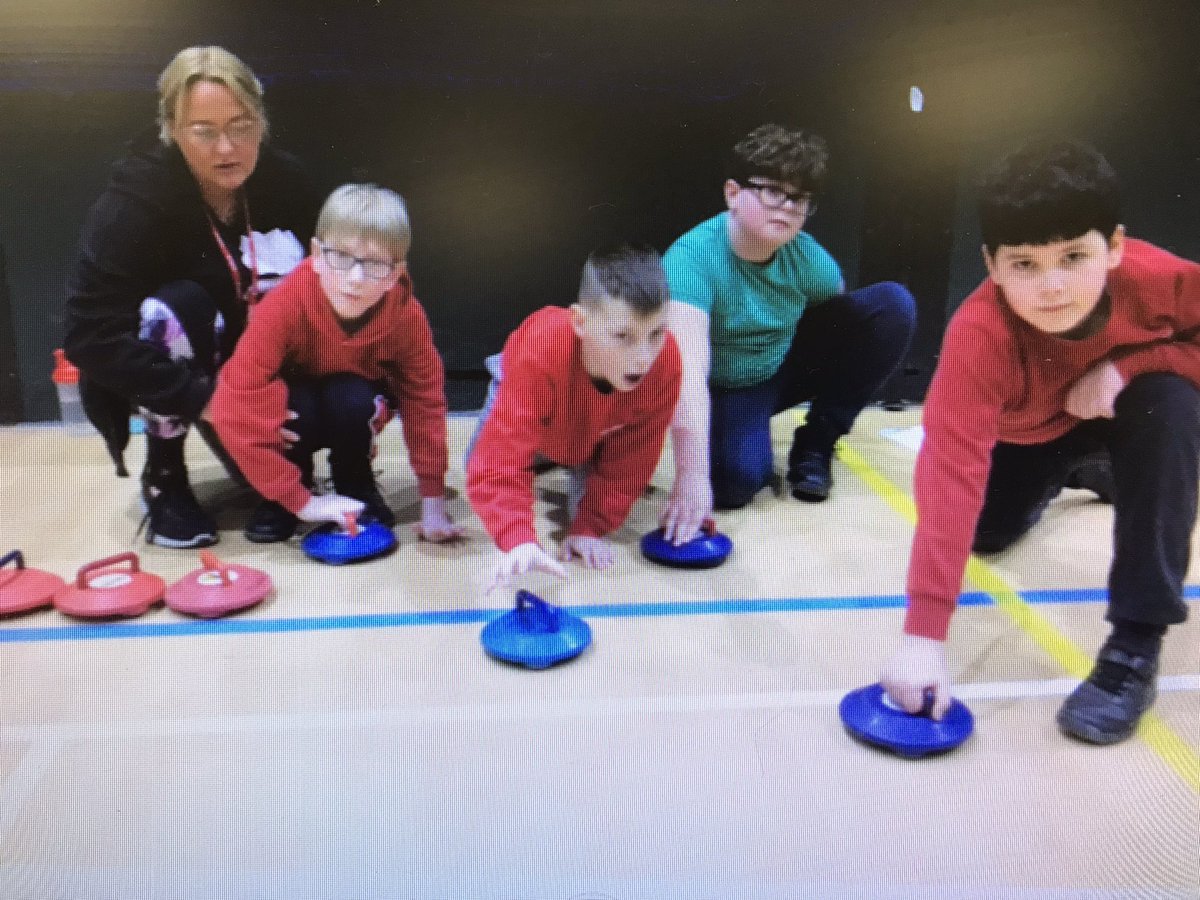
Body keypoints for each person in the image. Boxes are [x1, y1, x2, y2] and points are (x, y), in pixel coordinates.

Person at [882, 139, 1200, 745]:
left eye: (1073, 256)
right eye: (1024, 264)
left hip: (1123, 408)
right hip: (1033, 436)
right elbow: (950, 477)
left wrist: (1130, 369)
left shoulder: (1161, 278)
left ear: (1116, 247)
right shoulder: (977, 336)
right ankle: (1082, 468)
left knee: (1171, 406)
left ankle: (1134, 645)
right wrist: (922, 639)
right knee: (987, 533)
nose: (1051, 287)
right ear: (991, 264)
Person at [63, 46, 320, 548]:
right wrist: (207, 399)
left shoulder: (289, 182)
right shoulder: (132, 203)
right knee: (178, 306)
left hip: (262, 368)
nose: (227, 148)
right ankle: (165, 477)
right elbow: (87, 334)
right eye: (204, 131)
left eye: (241, 125)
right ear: (172, 130)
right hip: (180, 371)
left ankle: (279, 457)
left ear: (261, 122)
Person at [659, 124, 917, 544]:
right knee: (733, 486)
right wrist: (691, 477)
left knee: (892, 306)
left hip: (781, 364)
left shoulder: (806, 257)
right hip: (726, 386)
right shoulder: (691, 259)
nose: (786, 206)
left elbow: (841, 314)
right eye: (771, 190)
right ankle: (743, 438)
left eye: (798, 197)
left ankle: (816, 445)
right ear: (732, 193)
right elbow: (687, 376)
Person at [208, 184, 462, 544]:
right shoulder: (282, 307)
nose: (354, 279)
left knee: (352, 397)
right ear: (314, 254)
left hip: (354, 399)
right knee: (291, 405)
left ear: (394, 274)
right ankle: (287, 490)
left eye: (374, 264)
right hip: (295, 408)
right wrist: (300, 502)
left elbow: (425, 402)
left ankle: (355, 479)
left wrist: (433, 500)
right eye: (340, 256)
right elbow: (233, 401)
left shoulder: (407, 318)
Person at [466, 243, 682, 592]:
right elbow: (497, 465)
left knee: (589, 518)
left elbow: (633, 458)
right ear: (581, 322)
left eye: (656, 334)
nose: (643, 357)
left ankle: (569, 458)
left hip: (599, 431)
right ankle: (551, 454)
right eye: (623, 337)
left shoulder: (666, 362)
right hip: (533, 397)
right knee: (479, 468)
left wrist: (590, 527)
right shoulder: (541, 349)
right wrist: (518, 538)